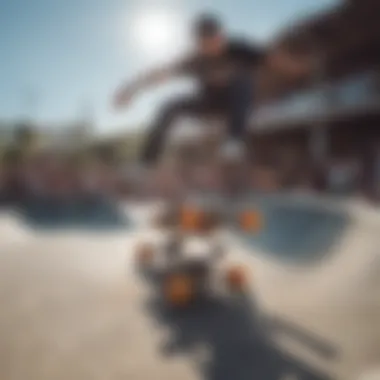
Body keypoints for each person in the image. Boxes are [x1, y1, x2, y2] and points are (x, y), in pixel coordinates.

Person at [114, 13, 312, 167]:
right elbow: (161, 74)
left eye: (214, 42)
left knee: (242, 80)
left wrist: (298, 68)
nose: (211, 48)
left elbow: (272, 59)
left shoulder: (239, 48)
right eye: (205, 45)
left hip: (236, 104)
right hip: (207, 105)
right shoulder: (194, 59)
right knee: (168, 106)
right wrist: (131, 89)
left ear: (220, 36)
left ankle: (234, 141)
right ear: (199, 44)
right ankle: (147, 161)